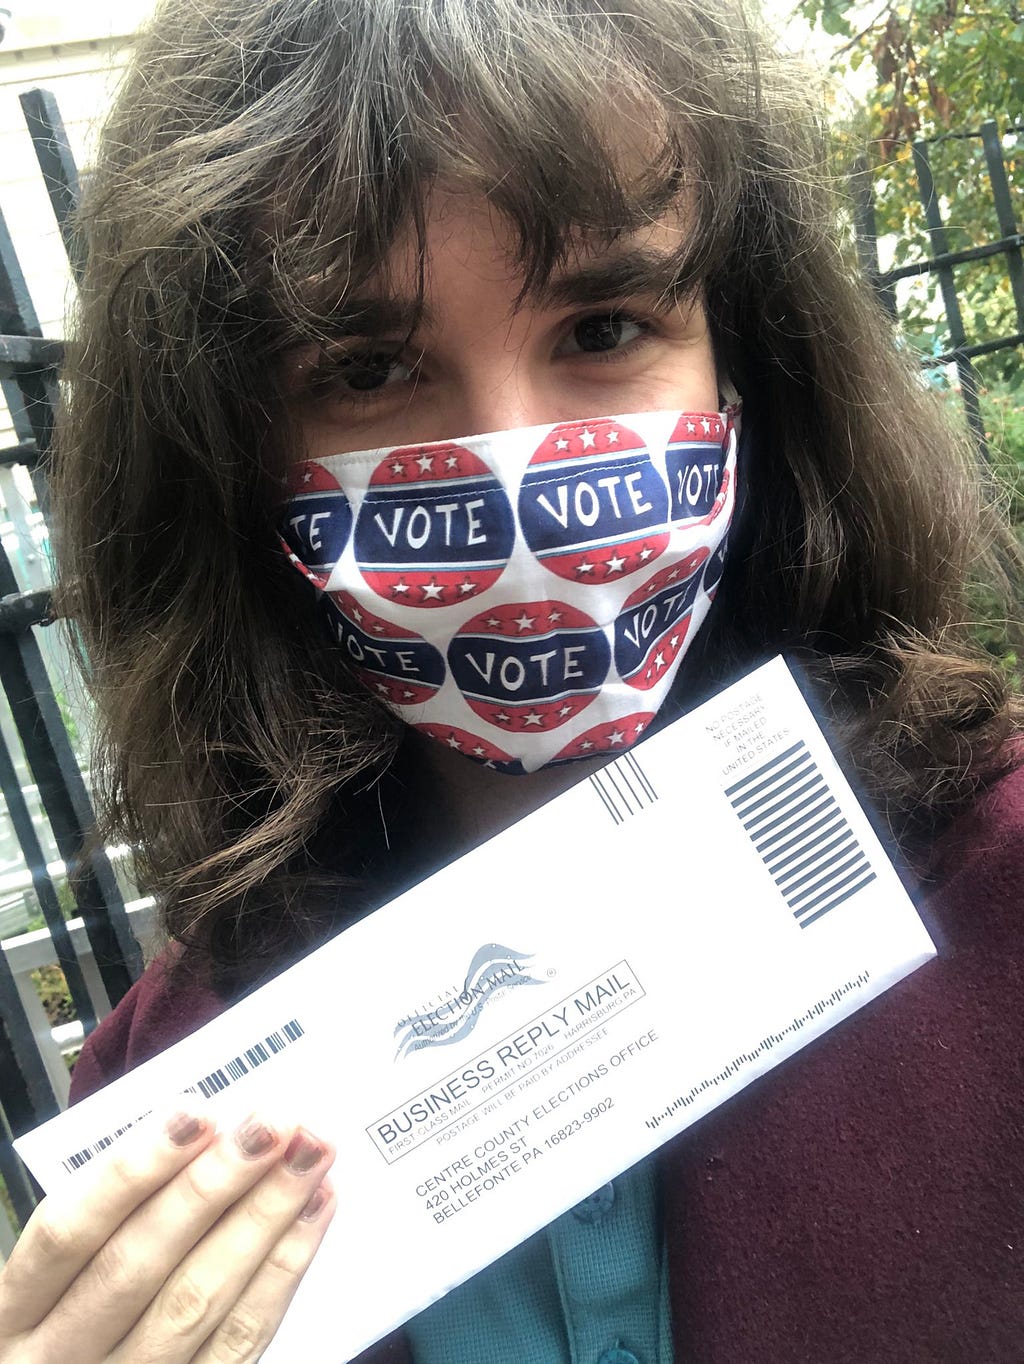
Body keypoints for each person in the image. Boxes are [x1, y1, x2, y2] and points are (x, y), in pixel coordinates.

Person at [1, 0, 1022, 1359]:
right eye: (367, 369)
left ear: (748, 360)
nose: (514, 466)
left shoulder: (1002, 883)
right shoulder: (182, 1111)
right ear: (225, 457)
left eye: (603, 327)